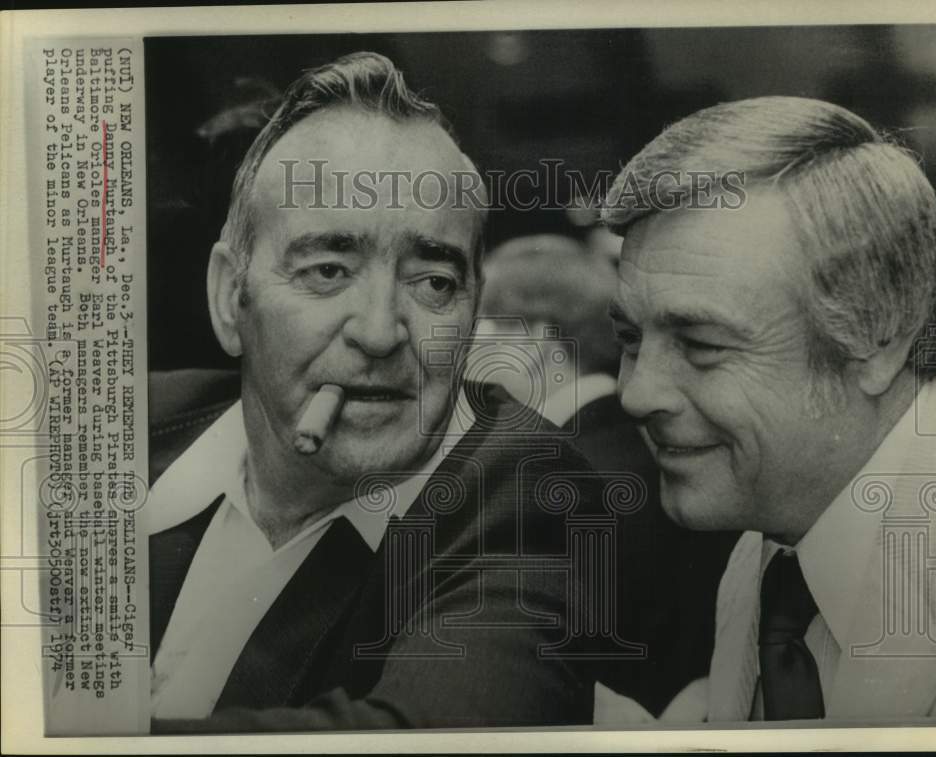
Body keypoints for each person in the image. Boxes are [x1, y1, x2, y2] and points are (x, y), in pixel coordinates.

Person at [147, 52, 606, 732]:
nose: (380, 331)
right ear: (228, 298)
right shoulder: (128, 426)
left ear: (474, 310)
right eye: (328, 268)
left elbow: (417, 739)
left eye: (433, 283)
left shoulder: (524, 489)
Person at [599, 96, 936, 724]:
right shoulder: (767, 556)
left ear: (878, 336)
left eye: (701, 345)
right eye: (631, 341)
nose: (636, 392)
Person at [477, 235, 738, 719]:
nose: (462, 351)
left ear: (536, 340)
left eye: (481, 328)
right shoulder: (665, 451)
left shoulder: (544, 484)